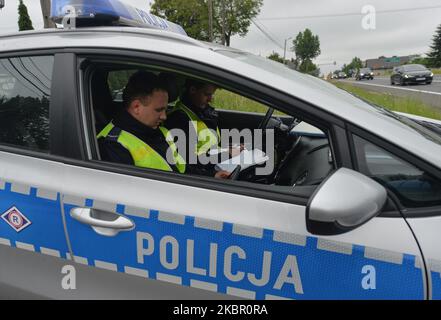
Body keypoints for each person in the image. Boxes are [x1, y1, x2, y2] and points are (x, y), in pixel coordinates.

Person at [97, 71, 230, 179]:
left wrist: (212, 176)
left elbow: (181, 169)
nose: (164, 116)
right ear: (136, 107)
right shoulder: (113, 144)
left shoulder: (161, 131)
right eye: (159, 110)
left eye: (165, 109)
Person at [165, 79, 243, 165]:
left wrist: (232, 148)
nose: (210, 99)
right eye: (207, 94)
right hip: (203, 172)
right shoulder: (178, 120)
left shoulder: (203, 114)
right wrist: (227, 154)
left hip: (215, 164)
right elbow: (190, 161)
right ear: (193, 90)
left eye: (212, 95)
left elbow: (209, 146)